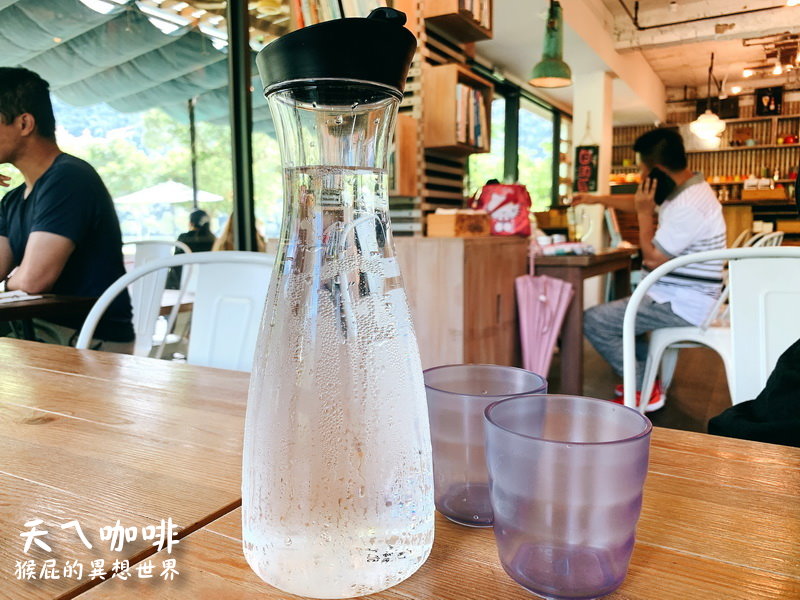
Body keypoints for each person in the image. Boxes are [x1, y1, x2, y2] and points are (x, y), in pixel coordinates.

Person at [575, 128, 726, 411]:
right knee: (623, 316)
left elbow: (654, 258)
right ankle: (645, 381)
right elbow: (638, 201)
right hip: (680, 295)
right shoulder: (686, 191)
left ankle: (643, 385)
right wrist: (596, 199)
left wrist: (644, 215)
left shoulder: (689, 206)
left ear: (655, 169)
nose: (642, 177)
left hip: (682, 303)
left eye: (642, 170)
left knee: (594, 320)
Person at [0, 67, 134, 352]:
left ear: (24, 123)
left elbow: (34, 280)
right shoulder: (13, 199)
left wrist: (12, 280)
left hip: (86, 339)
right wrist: (14, 280)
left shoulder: (68, 178)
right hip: (39, 334)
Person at [165, 209, 216, 289]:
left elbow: (175, 264)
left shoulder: (183, 238)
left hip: (182, 284)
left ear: (191, 223)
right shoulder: (213, 240)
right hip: (207, 283)